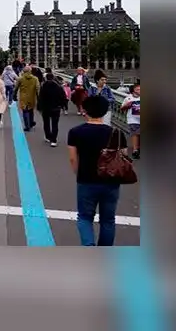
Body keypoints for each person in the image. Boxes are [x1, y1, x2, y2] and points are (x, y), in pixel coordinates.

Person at [67, 95, 128, 246]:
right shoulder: (117, 133)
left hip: (87, 179)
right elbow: (123, 156)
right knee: (108, 219)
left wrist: (78, 173)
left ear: (85, 111)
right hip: (112, 181)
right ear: (105, 111)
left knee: (85, 217)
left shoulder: (76, 132)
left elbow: (73, 159)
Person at [38, 73, 68, 147]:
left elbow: (40, 98)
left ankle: (48, 136)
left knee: (46, 123)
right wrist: (62, 106)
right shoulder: (58, 87)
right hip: (56, 108)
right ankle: (54, 140)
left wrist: (39, 107)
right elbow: (63, 97)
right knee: (55, 124)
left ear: (46, 78)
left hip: (46, 108)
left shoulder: (43, 86)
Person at [15, 66, 39, 132]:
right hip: (32, 97)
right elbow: (37, 89)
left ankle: (27, 126)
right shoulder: (35, 79)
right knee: (31, 110)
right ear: (30, 71)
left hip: (23, 97)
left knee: (25, 111)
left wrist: (14, 96)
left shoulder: (20, 79)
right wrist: (39, 98)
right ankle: (31, 123)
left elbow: (16, 88)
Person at [121, 83, 141, 159]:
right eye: (138, 89)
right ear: (133, 91)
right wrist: (127, 105)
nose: (140, 91)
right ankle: (135, 151)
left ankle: (138, 147)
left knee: (139, 135)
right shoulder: (128, 98)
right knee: (135, 133)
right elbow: (122, 108)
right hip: (132, 119)